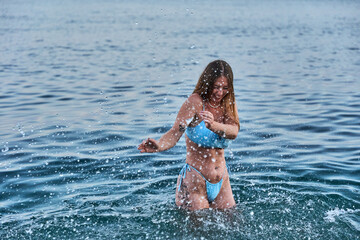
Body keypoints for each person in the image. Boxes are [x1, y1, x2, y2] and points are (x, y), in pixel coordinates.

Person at [138, 60, 240, 210]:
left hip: (222, 182)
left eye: (225, 88)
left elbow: (234, 131)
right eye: (216, 87)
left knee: (233, 225)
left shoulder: (228, 103)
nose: (220, 92)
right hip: (195, 181)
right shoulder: (195, 102)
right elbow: (174, 133)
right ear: (208, 83)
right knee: (199, 232)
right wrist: (159, 145)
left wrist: (214, 125)